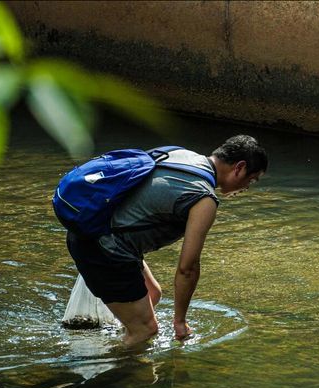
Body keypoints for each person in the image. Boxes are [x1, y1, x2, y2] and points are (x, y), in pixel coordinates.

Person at [65, 135, 268, 345]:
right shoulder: (203, 199)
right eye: (251, 180)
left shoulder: (177, 154)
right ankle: (113, 374)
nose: (247, 187)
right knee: (146, 331)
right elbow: (187, 268)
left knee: (152, 294)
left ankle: (121, 341)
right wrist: (180, 321)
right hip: (103, 248)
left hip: (91, 230)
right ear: (239, 168)